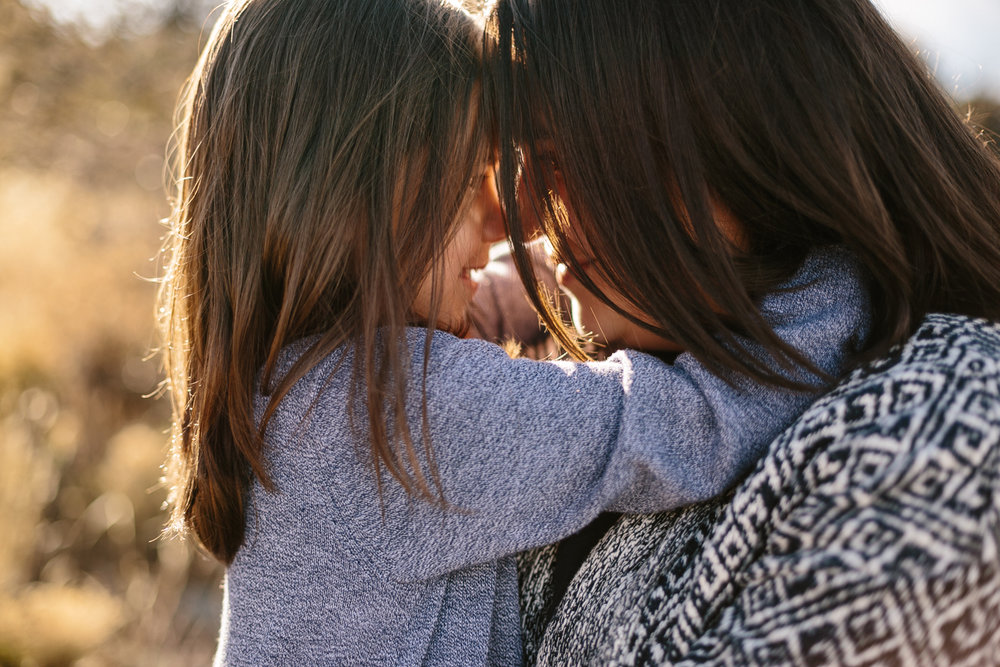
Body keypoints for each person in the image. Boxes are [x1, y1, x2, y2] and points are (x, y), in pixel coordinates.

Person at [157, 0, 869, 664]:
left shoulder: (299, 390)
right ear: (351, 199)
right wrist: (836, 277)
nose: (504, 226)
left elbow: (498, 302)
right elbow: (688, 425)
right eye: (470, 180)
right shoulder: (397, 411)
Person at [484, 0, 1000, 662]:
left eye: (555, 158)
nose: (521, 215)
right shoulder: (652, 361)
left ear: (729, 135)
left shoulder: (945, 434)